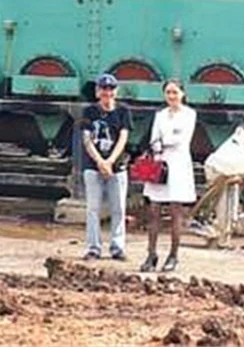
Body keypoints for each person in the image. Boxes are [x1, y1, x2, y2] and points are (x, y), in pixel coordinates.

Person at [140, 78, 197, 273]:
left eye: (175, 92)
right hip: (159, 163)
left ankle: (173, 255)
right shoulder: (160, 115)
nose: (171, 96)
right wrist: (160, 144)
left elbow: (181, 139)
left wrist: (164, 140)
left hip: (178, 165)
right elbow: (154, 138)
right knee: (153, 210)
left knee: (175, 212)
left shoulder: (190, 114)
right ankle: (151, 254)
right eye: (168, 93)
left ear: (182, 94)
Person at [80, 72, 132, 261]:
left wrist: (110, 161)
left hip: (117, 167)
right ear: (97, 91)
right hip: (92, 166)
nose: (107, 92)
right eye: (103, 88)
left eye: (110, 89)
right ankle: (93, 247)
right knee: (93, 208)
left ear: (116, 91)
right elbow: (86, 139)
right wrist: (100, 161)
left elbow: (123, 137)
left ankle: (117, 247)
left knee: (118, 208)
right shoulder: (88, 112)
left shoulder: (123, 111)